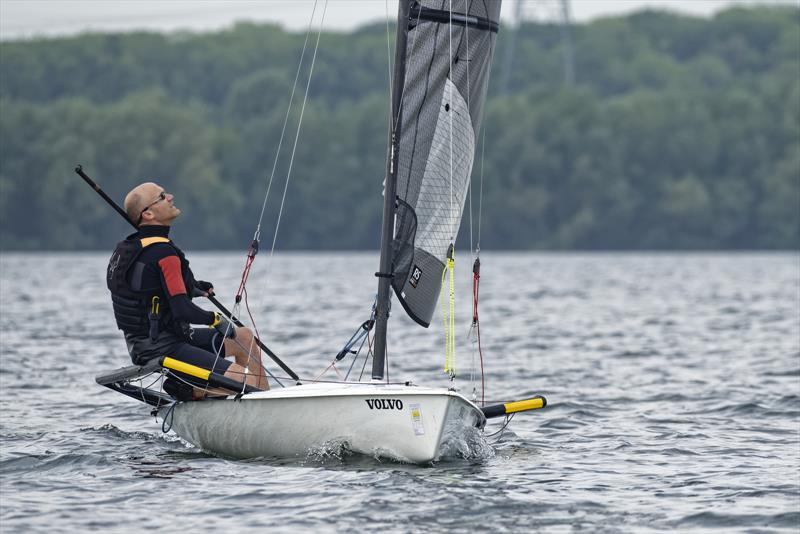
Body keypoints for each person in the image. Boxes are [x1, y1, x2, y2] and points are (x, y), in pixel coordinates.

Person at [107, 182, 268, 399]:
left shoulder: (131, 249)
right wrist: (215, 319)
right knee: (244, 379)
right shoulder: (164, 253)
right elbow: (183, 310)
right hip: (164, 348)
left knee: (244, 338)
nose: (171, 197)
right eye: (162, 196)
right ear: (148, 214)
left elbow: (149, 289)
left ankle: (262, 401)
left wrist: (193, 287)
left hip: (150, 344)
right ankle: (192, 390)